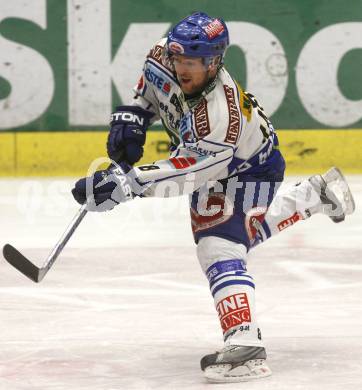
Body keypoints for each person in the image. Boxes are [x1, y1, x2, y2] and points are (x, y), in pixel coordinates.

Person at [71, 12, 355, 383]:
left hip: (249, 167)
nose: (182, 68)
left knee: (219, 245)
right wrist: (134, 115)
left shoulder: (220, 116)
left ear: (214, 62)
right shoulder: (162, 56)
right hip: (217, 162)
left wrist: (126, 184)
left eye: (193, 63)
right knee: (234, 235)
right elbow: (149, 93)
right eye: (179, 60)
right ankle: (312, 197)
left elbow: (189, 171)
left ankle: (246, 344)